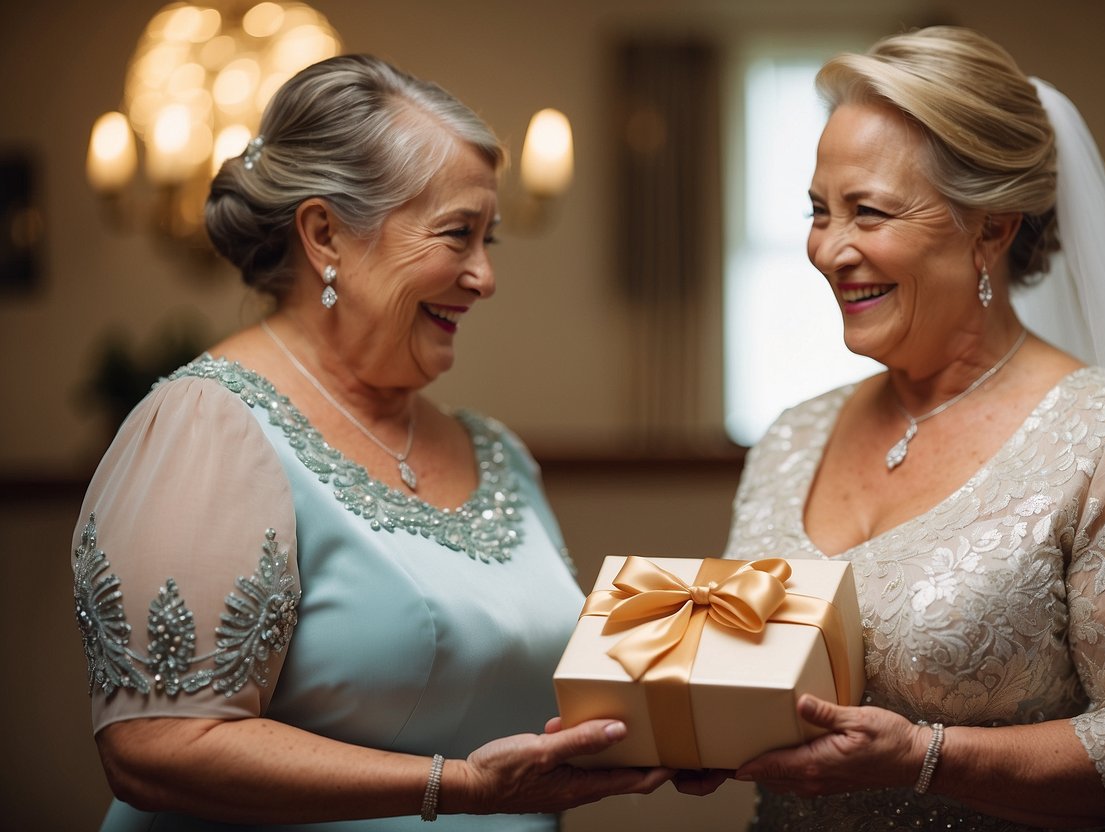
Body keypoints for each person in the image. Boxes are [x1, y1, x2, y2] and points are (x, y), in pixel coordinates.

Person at [70, 54, 668, 830]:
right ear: (325, 235)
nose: (484, 276)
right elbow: (156, 746)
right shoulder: (205, 424)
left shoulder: (498, 453)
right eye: (458, 234)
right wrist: (456, 788)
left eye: (491, 240)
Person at [717, 26, 1105, 832]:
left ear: (991, 227)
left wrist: (922, 758)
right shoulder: (788, 439)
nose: (828, 250)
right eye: (818, 212)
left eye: (867, 212)